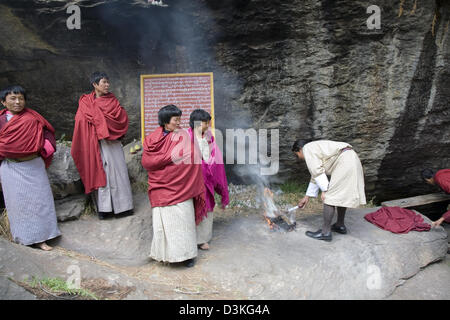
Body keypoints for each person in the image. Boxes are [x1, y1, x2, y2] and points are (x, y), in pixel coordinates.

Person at [141, 105, 206, 267]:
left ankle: (187, 255)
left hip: (181, 187)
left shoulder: (182, 135)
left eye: (179, 119)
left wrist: (173, 169)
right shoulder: (152, 140)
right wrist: (169, 165)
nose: (179, 123)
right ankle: (165, 255)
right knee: (164, 225)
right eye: (175, 120)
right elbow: (148, 161)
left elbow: (192, 155)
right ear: (165, 122)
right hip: (160, 186)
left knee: (184, 222)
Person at [0, 85, 61, 250]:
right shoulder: (0, 121)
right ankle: (24, 238)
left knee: (40, 202)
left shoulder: (33, 117)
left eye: (21, 98)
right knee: (18, 205)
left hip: (33, 165)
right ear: (3, 102)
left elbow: (48, 133)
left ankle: (42, 239)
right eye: (13, 98)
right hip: (11, 168)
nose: (18, 102)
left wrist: (44, 147)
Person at [71, 72, 133, 219]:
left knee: (118, 172)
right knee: (101, 172)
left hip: (112, 142)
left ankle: (124, 207)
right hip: (94, 143)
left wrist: (105, 126)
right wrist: (94, 130)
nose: (107, 85)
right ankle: (105, 209)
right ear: (95, 84)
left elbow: (121, 118)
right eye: (104, 82)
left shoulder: (112, 101)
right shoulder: (86, 102)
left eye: (108, 82)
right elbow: (80, 121)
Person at [292, 139, 366, 242]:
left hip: (344, 161)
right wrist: (306, 197)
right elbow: (315, 175)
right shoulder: (314, 147)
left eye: (297, 155)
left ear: (299, 149)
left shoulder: (307, 149)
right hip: (351, 158)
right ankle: (340, 225)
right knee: (340, 194)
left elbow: (317, 172)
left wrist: (325, 190)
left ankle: (325, 232)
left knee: (329, 197)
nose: (299, 158)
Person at [188, 109, 229, 250]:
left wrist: (210, 166)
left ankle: (203, 239)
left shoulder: (209, 137)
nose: (208, 125)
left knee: (207, 206)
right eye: (206, 122)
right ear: (198, 123)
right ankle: (190, 238)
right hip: (191, 181)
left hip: (207, 180)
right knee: (191, 208)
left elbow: (214, 155)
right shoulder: (186, 137)